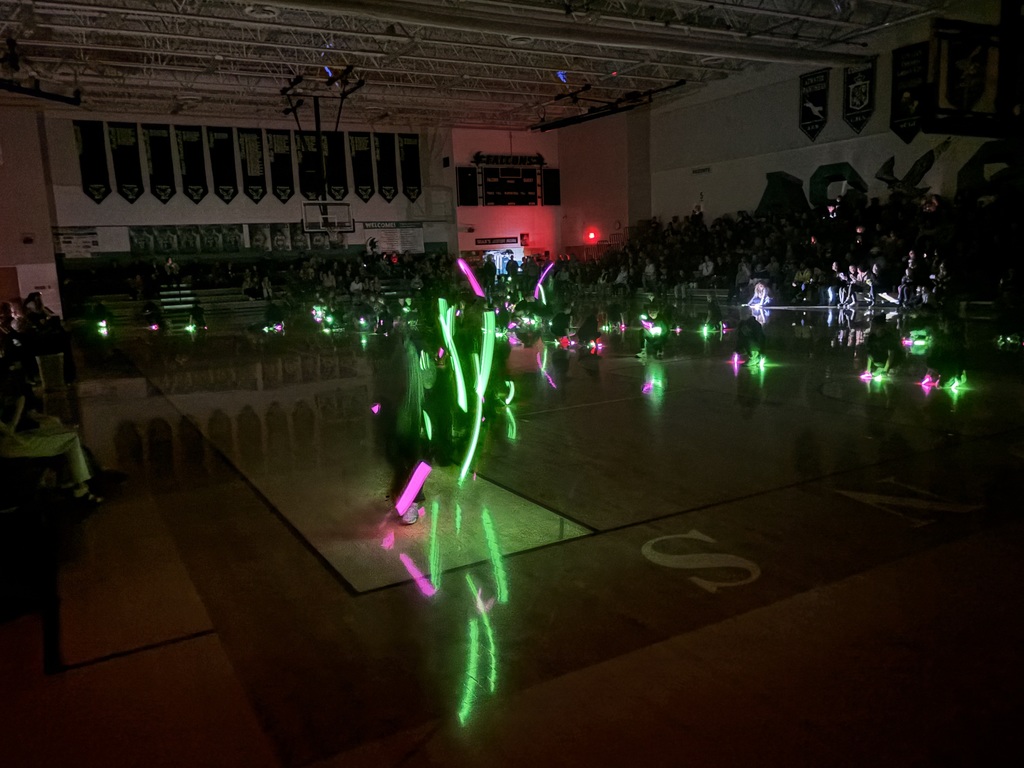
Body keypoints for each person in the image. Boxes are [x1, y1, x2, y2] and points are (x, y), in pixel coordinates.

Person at [0, 393, 102, 506]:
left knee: (59, 428)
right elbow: (9, 429)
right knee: (71, 438)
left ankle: (73, 481)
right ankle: (80, 486)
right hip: (11, 444)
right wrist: (19, 411)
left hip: (15, 439)